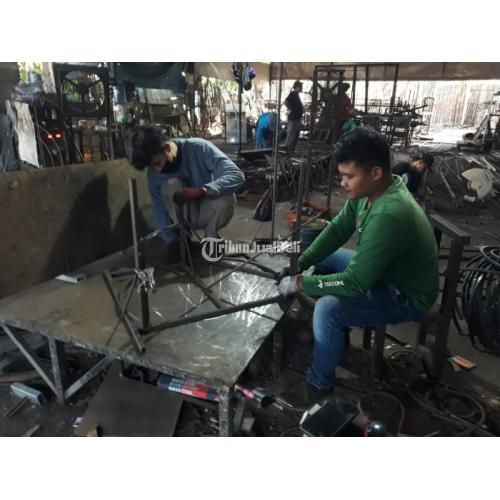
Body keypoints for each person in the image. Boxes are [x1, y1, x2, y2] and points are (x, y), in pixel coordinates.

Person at [278, 127, 439, 407]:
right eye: (341, 175)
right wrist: (300, 263)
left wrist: (301, 282)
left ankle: (318, 385)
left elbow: (355, 282)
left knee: (328, 310)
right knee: (324, 257)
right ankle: (332, 341)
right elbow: (337, 230)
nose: (342, 183)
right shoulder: (373, 190)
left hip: (405, 294)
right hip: (384, 271)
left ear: (375, 172)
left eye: (348, 176)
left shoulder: (389, 213)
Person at [125, 126, 245, 262]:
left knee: (226, 193)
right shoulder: (154, 174)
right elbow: (159, 209)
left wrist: (204, 190)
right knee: (171, 184)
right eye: (152, 167)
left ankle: (211, 236)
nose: (157, 170)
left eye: (157, 163)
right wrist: (171, 241)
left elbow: (236, 175)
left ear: (167, 148)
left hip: (208, 210)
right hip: (184, 218)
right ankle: (183, 239)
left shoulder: (198, 147)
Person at [284, 80, 304, 152]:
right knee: (291, 134)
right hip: (293, 118)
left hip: (297, 117)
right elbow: (286, 101)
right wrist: (290, 109)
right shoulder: (293, 94)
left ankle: (292, 149)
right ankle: (287, 149)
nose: (302, 88)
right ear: (297, 87)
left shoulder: (296, 95)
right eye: (301, 87)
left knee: (295, 134)